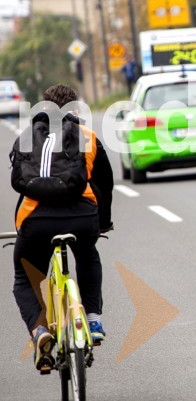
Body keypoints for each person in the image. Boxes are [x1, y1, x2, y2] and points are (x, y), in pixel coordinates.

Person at [10, 84, 114, 371]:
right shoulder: (88, 137)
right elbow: (105, 184)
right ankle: (92, 320)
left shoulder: (27, 137)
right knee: (88, 255)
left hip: (36, 222)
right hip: (82, 219)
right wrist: (103, 223)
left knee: (24, 277)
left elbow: (20, 183)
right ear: (75, 110)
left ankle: (40, 331)